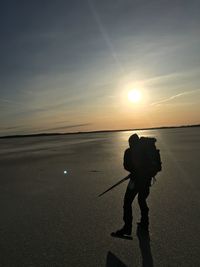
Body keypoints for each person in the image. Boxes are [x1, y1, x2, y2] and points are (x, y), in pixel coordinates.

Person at [114, 133, 152, 236]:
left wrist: (134, 171)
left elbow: (126, 166)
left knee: (127, 202)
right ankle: (145, 223)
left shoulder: (129, 152)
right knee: (142, 200)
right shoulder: (146, 151)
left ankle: (127, 228)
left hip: (135, 181)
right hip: (146, 180)